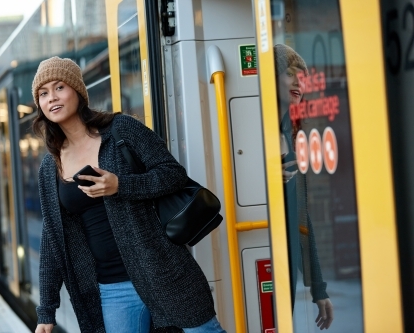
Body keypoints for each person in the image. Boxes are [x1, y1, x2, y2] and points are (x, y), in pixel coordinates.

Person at [31, 56, 226, 333]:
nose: (52, 98)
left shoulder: (121, 130)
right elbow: (53, 237)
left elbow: (173, 174)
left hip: (163, 271)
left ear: (77, 91)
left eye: (59, 87)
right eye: (43, 93)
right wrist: (46, 312)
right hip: (113, 288)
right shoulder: (50, 167)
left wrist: (121, 186)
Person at [274, 44, 334, 330]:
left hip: (289, 269)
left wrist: (318, 289)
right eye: (289, 74)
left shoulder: (291, 131)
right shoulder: (254, 129)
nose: (299, 82)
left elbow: (301, 216)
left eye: (302, 76)